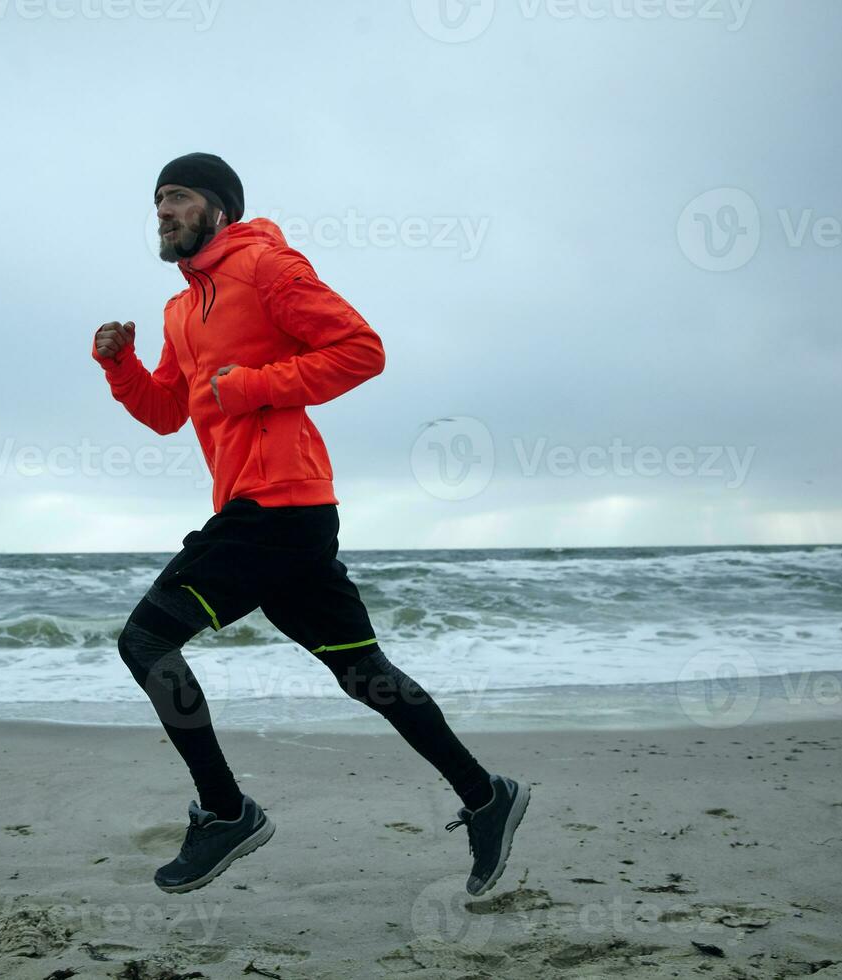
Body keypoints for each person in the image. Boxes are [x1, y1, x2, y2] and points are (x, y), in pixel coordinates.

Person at [90, 152, 529, 895]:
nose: (164, 211)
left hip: (277, 505)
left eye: (180, 197)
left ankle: (227, 812)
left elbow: (361, 350)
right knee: (366, 675)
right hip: (274, 514)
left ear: (219, 208)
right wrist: (122, 366)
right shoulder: (179, 310)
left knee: (146, 639)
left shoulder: (266, 267)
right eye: (158, 200)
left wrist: (254, 387)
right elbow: (171, 411)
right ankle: (488, 796)